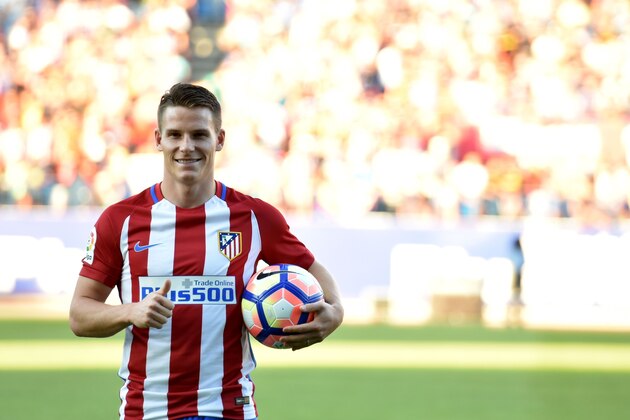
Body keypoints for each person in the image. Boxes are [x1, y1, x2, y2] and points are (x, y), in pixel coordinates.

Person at [69, 82, 344, 420]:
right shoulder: (121, 220)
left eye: (199, 134)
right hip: (148, 411)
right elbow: (80, 315)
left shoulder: (255, 217)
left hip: (228, 410)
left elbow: (317, 275)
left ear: (219, 139)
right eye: (175, 135)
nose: (186, 147)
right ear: (158, 140)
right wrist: (130, 312)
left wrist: (336, 313)